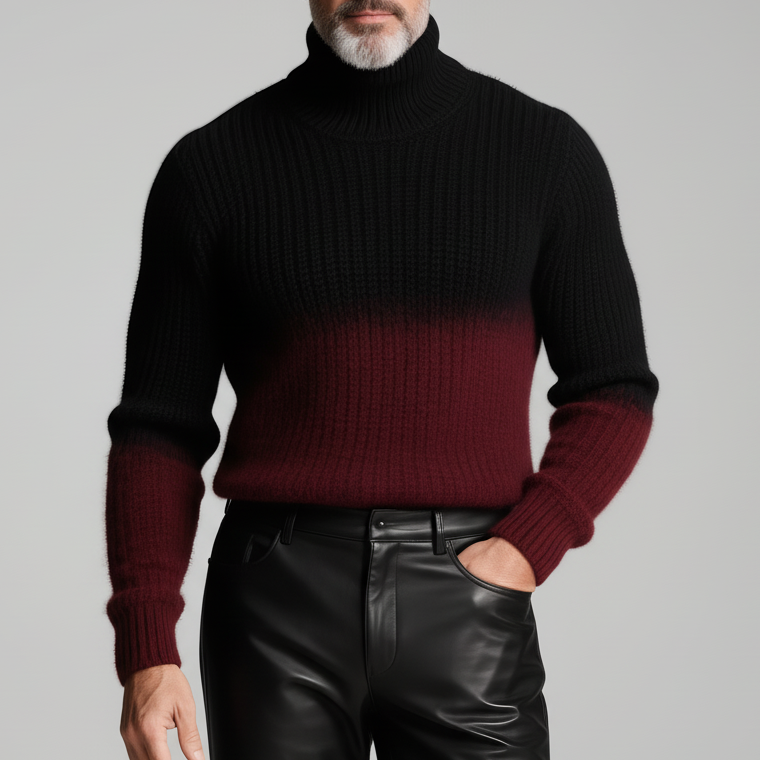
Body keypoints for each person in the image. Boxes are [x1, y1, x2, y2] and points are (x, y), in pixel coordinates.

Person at [104, 1, 659, 758]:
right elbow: (158, 428)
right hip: (273, 605)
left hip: (469, 591)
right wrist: (146, 647)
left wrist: (526, 548)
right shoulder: (211, 168)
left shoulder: (544, 152)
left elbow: (613, 388)